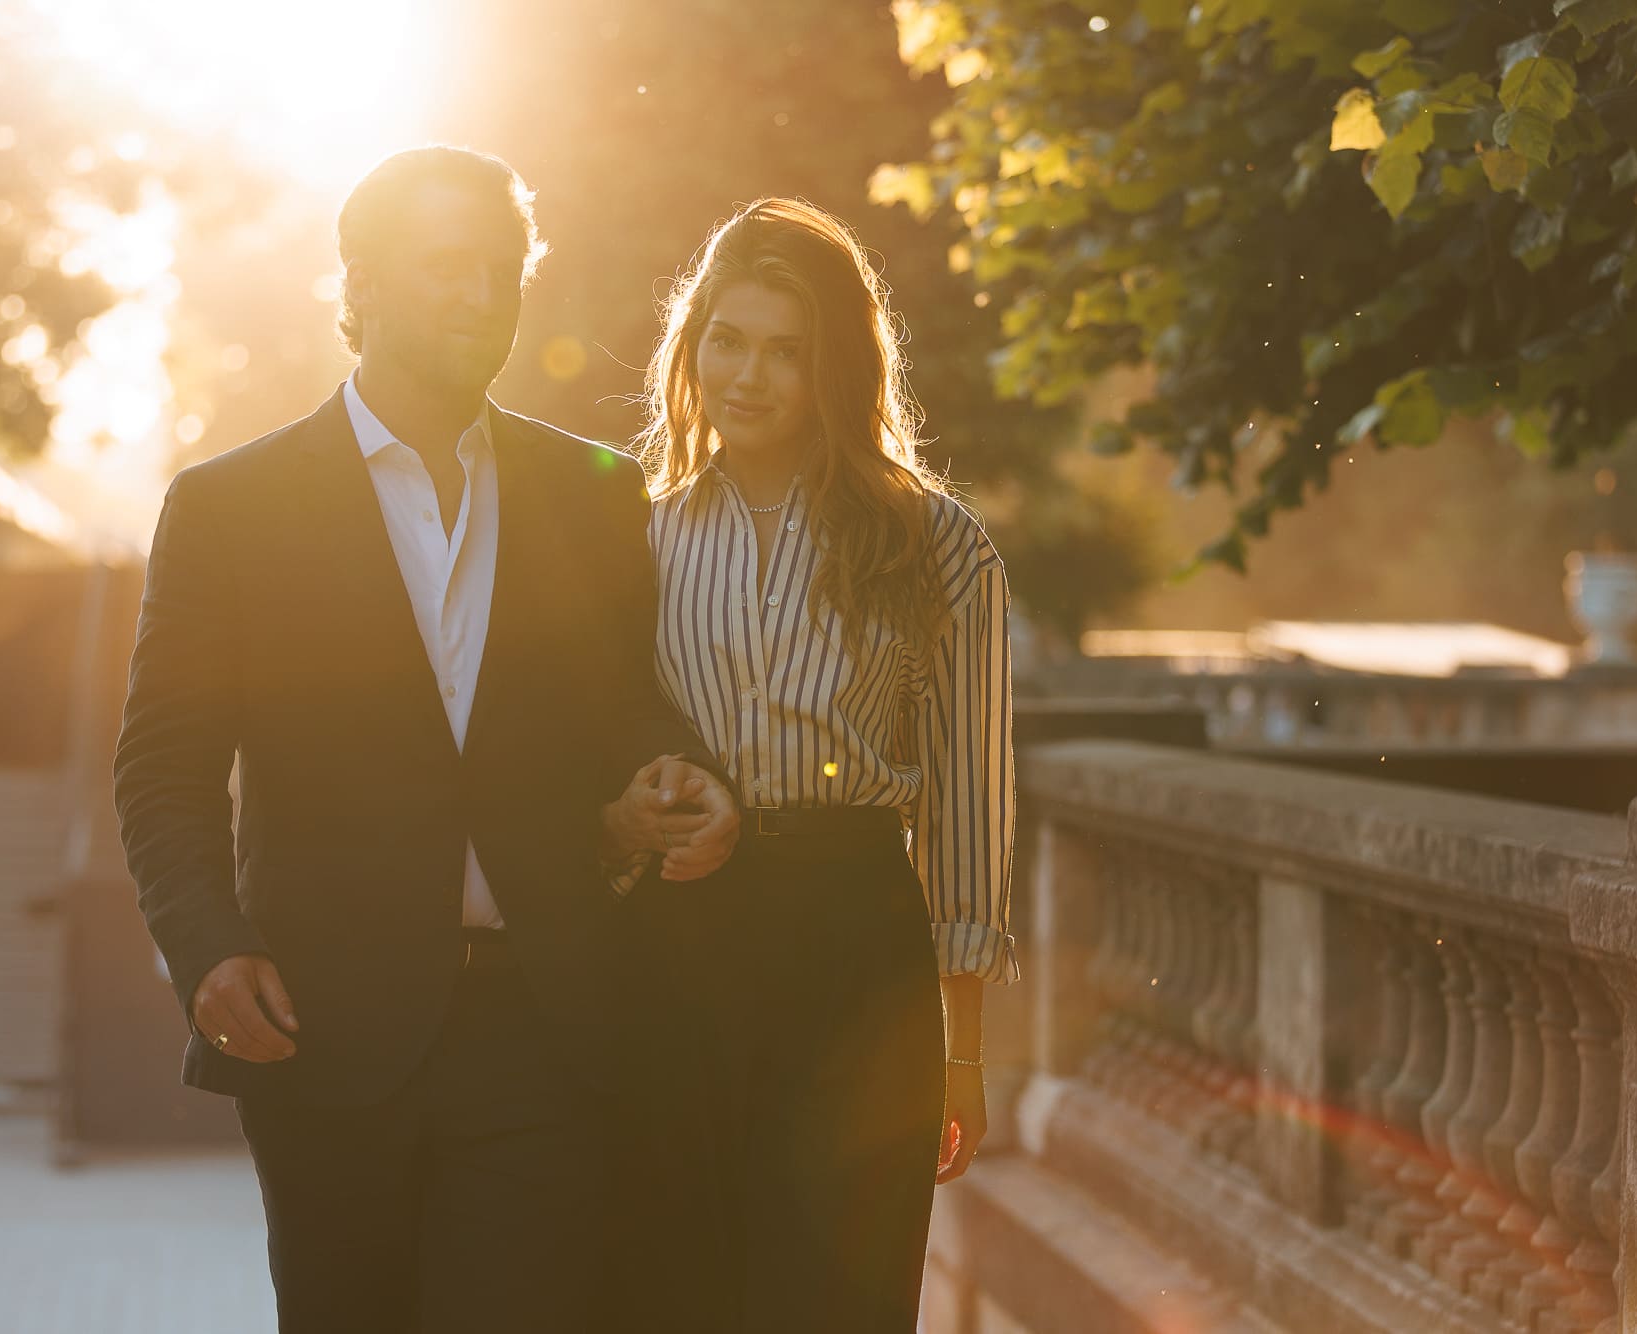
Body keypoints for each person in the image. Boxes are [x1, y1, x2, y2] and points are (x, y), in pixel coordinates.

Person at [112, 145, 736, 1334]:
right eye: (445, 266)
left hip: (544, 1026)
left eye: (500, 270)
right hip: (325, 1032)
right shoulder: (228, 508)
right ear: (364, 284)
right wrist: (207, 947)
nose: (478, 294)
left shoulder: (589, 489)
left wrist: (673, 772)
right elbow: (163, 769)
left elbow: (628, 707)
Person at [629, 197, 1018, 1333]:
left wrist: (962, 1053)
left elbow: (966, 805)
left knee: (843, 1299)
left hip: (857, 944)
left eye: (785, 351)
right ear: (691, 345)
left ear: (833, 367)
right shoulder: (635, 540)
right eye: (726, 339)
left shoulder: (933, 540)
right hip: (680, 941)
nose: (746, 375)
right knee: (686, 1290)